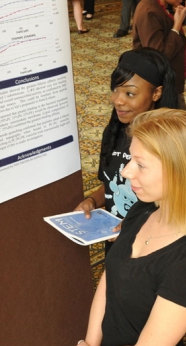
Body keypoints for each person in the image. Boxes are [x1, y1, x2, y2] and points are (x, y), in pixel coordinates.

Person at [70, 109, 186, 346]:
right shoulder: (143, 209)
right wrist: (91, 345)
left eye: (140, 164)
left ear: (180, 172)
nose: (127, 172)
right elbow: (110, 274)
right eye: (130, 160)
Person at [73, 48, 180, 253]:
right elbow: (112, 183)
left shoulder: (171, 144)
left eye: (130, 93)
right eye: (116, 90)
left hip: (151, 246)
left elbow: (181, 203)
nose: (118, 100)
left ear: (156, 93)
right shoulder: (115, 132)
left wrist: (137, 224)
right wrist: (93, 201)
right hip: (115, 241)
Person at [133, 0, 186, 109]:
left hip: (169, 80)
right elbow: (159, 55)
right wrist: (177, 25)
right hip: (161, 83)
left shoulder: (163, 7)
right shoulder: (149, 11)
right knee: (173, 122)